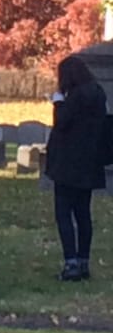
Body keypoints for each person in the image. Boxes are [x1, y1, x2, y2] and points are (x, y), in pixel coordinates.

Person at [45, 55, 108, 282]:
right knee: (83, 214)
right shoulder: (98, 94)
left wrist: (57, 101)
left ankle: (70, 263)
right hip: (89, 163)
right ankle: (83, 262)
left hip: (67, 164)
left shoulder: (76, 97)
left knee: (63, 213)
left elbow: (62, 121)